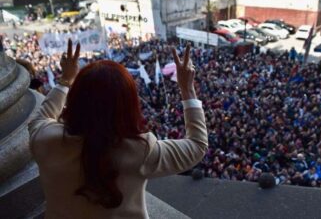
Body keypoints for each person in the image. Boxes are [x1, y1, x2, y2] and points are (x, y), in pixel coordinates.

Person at [28, 40, 208, 218]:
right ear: (128, 107)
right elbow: (197, 145)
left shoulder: (44, 138)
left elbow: (42, 116)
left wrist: (65, 80)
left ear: (76, 100)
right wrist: (187, 89)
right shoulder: (140, 150)